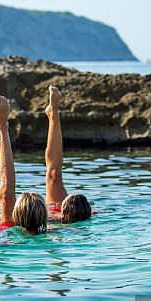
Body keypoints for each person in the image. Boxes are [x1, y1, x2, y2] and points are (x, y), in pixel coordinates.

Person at [0, 94, 48, 234]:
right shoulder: (58, 231)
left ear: (15, 214)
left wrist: (3, 128)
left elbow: (7, 190)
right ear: (45, 217)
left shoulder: (8, 227)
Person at [44, 85, 93, 223]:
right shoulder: (92, 213)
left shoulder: (51, 218)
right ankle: (54, 112)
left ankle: (53, 113)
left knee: (54, 175)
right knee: (55, 175)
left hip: (57, 216)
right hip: (67, 214)